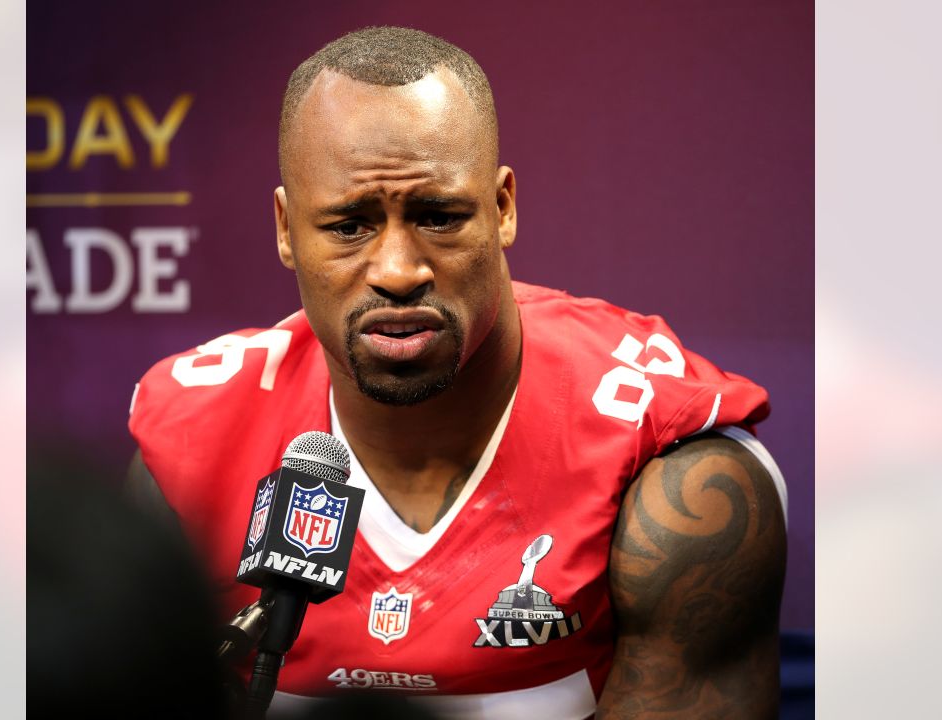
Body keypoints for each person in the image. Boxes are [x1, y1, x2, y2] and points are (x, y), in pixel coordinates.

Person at [128, 26, 787, 719]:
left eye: (439, 217)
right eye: (349, 226)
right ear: (287, 229)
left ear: (502, 208)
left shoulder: (676, 475)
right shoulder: (189, 455)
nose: (397, 272)